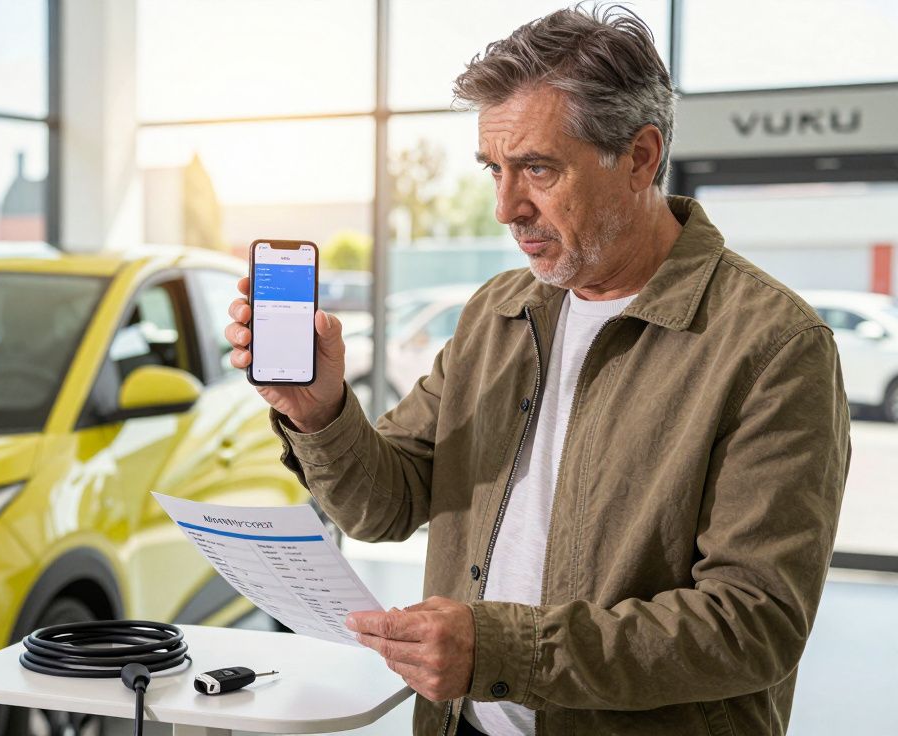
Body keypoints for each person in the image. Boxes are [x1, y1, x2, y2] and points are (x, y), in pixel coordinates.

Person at [222, 5, 850, 735]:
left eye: (538, 169)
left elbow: (753, 624)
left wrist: (500, 650)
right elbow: (384, 505)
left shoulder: (774, 345)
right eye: (495, 169)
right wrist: (318, 409)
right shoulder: (499, 311)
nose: (505, 206)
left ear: (640, 157)